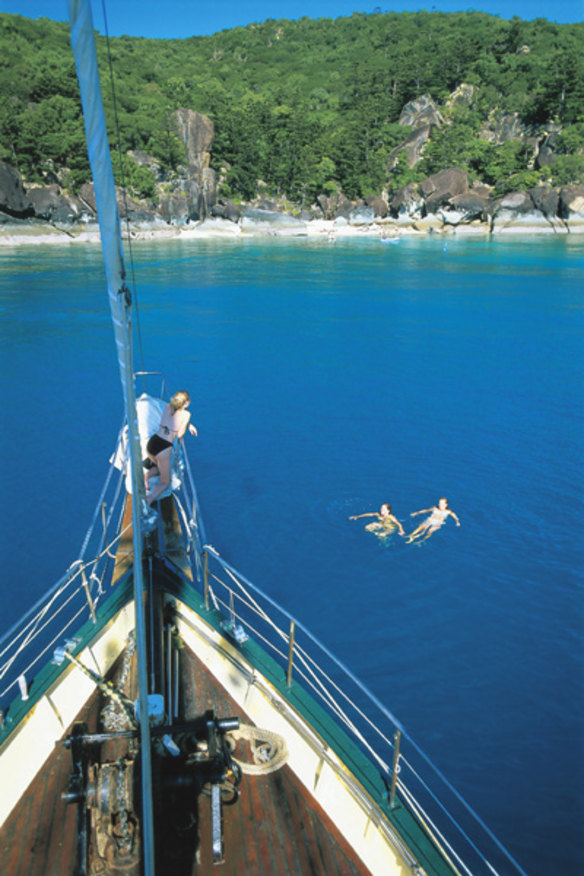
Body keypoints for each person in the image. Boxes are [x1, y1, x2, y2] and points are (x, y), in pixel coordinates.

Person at [145, 390, 198, 505]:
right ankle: (149, 499)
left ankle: (146, 477)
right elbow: (179, 434)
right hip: (164, 448)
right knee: (165, 482)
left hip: (152, 443)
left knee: (159, 468)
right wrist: (187, 423)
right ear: (187, 402)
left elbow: (173, 418)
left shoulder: (168, 406)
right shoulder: (187, 414)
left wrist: (189, 424)